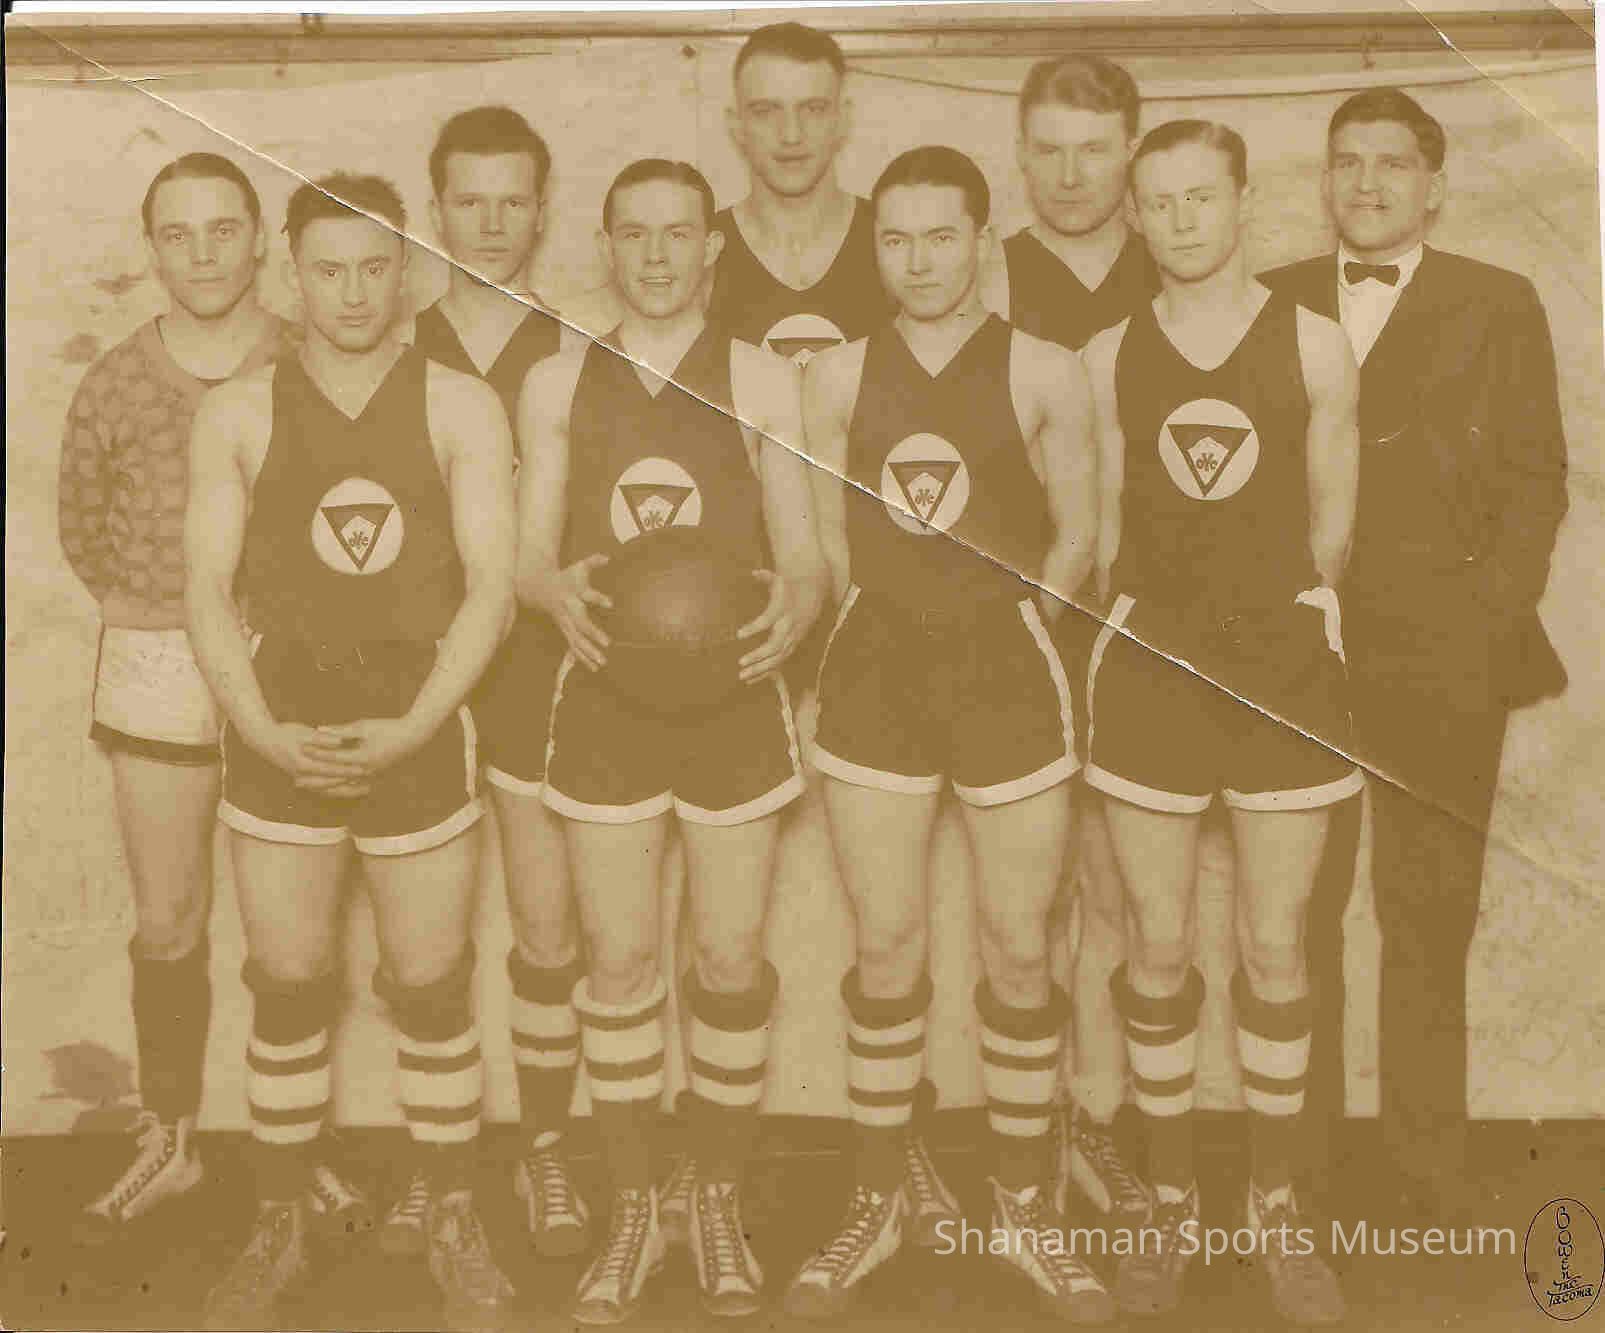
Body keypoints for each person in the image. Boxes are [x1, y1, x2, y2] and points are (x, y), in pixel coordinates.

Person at [186, 173, 518, 1332]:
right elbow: (204, 592)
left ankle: (453, 1214)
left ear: (409, 270)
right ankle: (280, 1221)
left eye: (376, 266)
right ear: (291, 272)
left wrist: (416, 725)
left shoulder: (461, 404)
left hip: (418, 721)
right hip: (281, 722)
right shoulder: (238, 409)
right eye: (328, 268)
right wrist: (262, 730)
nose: (354, 291)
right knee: (287, 987)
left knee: (431, 987)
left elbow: (491, 591)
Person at [786, 146, 1112, 1325]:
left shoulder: (1046, 368)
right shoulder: (833, 375)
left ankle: (1023, 1207)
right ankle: (878, 1200)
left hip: (1006, 674)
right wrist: (871, 630)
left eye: (940, 236)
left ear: (982, 238)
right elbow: (829, 543)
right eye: (895, 238)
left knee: (1019, 948)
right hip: (878, 671)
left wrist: (1009, 627)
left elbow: (1079, 535)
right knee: (886, 945)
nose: (918, 261)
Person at [520, 158, 827, 1324]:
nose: (656, 254)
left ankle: (716, 1197)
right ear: (605, 246)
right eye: (634, 233)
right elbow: (526, 560)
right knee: (619, 965)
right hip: (606, 694)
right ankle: (636, 1204)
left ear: (713, 247)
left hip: (735, 697)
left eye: (678, 232)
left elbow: (808, 555)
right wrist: (553, 589)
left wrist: (799, 602)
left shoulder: (763, 376)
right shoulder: (557, 379)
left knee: (730, 962)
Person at [1261, 89, 1568, 1222]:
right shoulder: (1271, 297)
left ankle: (1427, 1169)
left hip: (1446, 660)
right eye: (1346, 161)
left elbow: (1536, 480)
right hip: (1302, 658)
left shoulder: (1499, 300)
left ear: (1436, 185)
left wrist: (1484, 618)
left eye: (1392, 163)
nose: (1367, 183)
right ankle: (1298, 1170)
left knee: (1428, 914)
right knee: (1292, 917)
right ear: (1323, 179)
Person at [1079, 120, 1360, 1326]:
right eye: (1159, 201)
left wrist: (1276, 624)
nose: (1182, 219)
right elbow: (1102, 532)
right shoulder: (1105, 354)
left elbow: (1332, 529)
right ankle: (1169, 1201)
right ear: (1134, 215)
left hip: (1282, 669)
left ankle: (1277, 1205)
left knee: (1275, 944)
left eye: (1203, 196)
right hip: (1153, 666)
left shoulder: (1316, 342)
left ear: (1245, 201)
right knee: (1156, 942)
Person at [58, 152, 367, 1244]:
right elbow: (82, 528)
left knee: (297, 932)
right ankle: (171, 1138)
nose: (202, 254)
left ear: (260, 241)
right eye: (178, 233)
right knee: (169, 918)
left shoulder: (310, 355)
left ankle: (300, 1140)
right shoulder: (115, 381)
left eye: (223, 229)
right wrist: (170, 617)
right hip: (159, 660)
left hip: (298, 658)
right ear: (150, 246)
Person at [394, 103, 591, 1262]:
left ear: (543, 209)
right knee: (426, 940)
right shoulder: (389, 343)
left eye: (513, 200)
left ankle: (547, 1144)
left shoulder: (581, 351)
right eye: (469, 200)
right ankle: (442, 1165)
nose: (491, 221)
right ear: (435, 210)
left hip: (534, 671)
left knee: (547, 926)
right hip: (411, 672)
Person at [983, 52, 1160, 1234]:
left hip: (1146, 619)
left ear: (1131, 152)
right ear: (1019, 154)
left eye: (1093, 149)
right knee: (1024, 893)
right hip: (1023, 615)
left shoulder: (1184, 260)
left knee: (1119, 884)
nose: (1069, 172)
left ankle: (1098, 1117)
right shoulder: (983, 270)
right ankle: (1026, 1126)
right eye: (1046, 149)